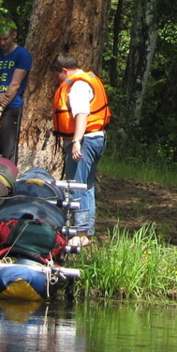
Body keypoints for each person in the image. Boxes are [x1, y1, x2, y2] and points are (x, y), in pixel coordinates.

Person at [51, 54, 111, 235]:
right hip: (97, 138)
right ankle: (86, 232)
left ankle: (80, 233)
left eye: (58, 76)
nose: (59, 80)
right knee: (87, 186)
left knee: (76, 187)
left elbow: (82, 114)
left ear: (64, 71)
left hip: (86, 141)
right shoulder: (89, 79)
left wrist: (77, 141)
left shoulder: (77, 85)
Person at [0, 28, 33, 163]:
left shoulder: (22, 54)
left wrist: (1, 109)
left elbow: (15, 84)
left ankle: (7, 180)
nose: (2, 43)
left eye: (5, 39)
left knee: (7, 148)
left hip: (11, 107)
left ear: (14, 35)